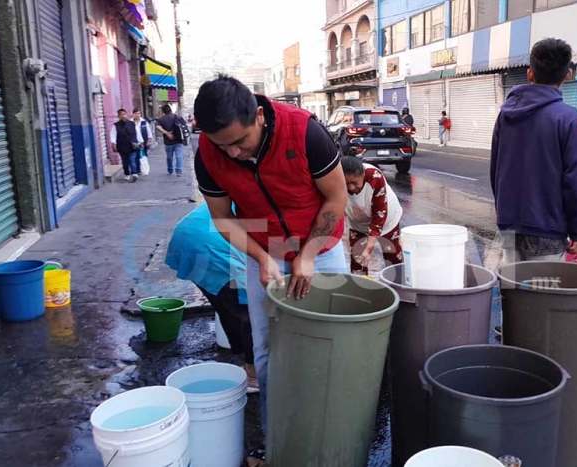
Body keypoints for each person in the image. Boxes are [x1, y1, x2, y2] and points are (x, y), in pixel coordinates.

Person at [193, 74, 348, 461]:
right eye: (221, 145)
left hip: (320, 244)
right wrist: (263, 259)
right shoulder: (208, 154)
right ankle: (276, 434)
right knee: (266, 347)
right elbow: (223, 217)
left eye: (239, 142)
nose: (231, 154)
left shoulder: (305, 132)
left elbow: (336, 197)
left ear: (259, 117)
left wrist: (308, 256)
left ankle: (334, 428)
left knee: (332, 341)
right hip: (266, 246)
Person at [490, 37, 577, 264]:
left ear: (529, 74)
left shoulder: (505, 115)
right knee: (544, 294)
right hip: (548, 227)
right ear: (567, 75)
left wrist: (504, 214)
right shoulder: (570, 119)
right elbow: (576, 179)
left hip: (509, 223)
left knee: (512, 291)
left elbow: (495, 170)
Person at [165, 203, 259, 393]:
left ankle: (241, 356)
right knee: (254, 313)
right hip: (210, 245)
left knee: (228, 304)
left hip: (187, 239)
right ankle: (253, 376)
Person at [341, 156, 403, 275]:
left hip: (386, 221)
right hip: (358, 223)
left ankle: (398, 287)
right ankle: (359, 288)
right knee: (358, 259)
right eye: (346, 184)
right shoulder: (335, 179)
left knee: (392, 255)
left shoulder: (374, 177)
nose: (351, 188)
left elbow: (379, 217)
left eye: (355, 183)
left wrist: (369, 249)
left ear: (362, 175)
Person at [110, 108, 140, 182]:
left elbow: (138, 133)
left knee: (132, 160)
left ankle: (134, 174)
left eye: (125, 114)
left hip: (132, 146)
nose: (123, 116)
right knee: (125, 161)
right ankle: (127, 174)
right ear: (118, 116)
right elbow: (113, 135)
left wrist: (140, 142)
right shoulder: (115, 126)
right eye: (121, 115)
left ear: (127, 115)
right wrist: (113, 144)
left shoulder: (132, 124)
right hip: (122, 146)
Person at [156, 104, 185, 176]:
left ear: (163, 111)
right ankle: (179, 171)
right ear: (170, 110)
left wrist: (166, 133)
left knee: (169, 157)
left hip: (168, 142)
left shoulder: (161, 119)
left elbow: (157, 127)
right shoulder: (177, 117)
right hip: (178, 140)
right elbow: (184, 126)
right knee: (179, 156)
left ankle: (170, 170)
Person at [132, 109, 152, 174]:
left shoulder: (144, 122)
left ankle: (143, 168)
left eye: (138, 113)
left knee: (143, 156)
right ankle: (137, 169)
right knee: (135, 156)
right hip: (134, 142)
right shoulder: (130, 122)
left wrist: (148, 141)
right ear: (133, 114)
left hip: (144, 141)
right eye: (136, 113)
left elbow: (148, 132)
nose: (137, 115)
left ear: (140, 114)